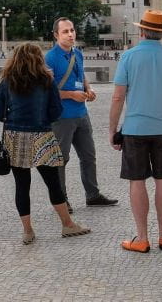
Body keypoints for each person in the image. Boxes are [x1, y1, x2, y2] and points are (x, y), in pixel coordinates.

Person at [0, 43, 90, 244]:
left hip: (15, 137)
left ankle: (27, 231)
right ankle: (67, 224)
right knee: (52, 182)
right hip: (42, 137)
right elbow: (56, 111)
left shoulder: (7, 81)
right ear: (38, 59)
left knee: (22, 185)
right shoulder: (46, 81)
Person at [109, 10, 162, 253]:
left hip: (134, 129)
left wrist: (112, 129)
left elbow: (118, 96)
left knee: (137, 181)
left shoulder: (128, 57)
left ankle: (141, 237)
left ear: (141, 31)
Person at [47, 18, 118, 211]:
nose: (70, 34)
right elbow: (47, 92)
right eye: (65, 32)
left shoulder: (77, 53)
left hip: (81, 113)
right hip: (62, 117)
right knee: (61, 159)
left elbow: (80, 75)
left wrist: (89, 88)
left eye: (72, 30)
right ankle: (62, 200)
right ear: (56, 35)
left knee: (89, 156)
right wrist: (71, 94)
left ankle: (92, 195)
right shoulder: (50, 58)